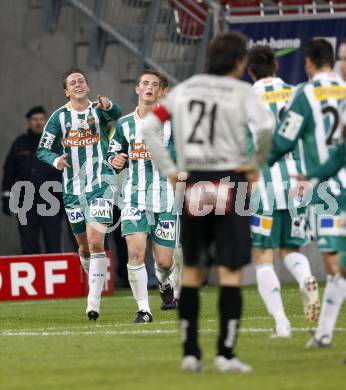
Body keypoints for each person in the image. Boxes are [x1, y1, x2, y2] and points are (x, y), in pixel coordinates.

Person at [142, 31, 274, 373]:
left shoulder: (185, 89)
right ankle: (226, 355)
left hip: (196, 180)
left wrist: (171, 169)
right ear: (237, 61)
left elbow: (150, 128)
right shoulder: (242, 91)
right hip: (231, 179)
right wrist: (255, 164)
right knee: (230, 272)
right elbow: (265, 127)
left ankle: (190, 353)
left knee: (194, 271)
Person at [267, 38, 346, 348]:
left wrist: (261, 162)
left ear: (309, 63)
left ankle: (324, 334)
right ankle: (324, 334)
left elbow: (285, 137)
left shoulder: (306, 93)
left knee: (334, 262)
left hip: (329, 191)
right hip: (330, 183)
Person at [37, 68, 122, 320]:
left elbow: (117, 113)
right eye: (72, 82)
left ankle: (93, 302)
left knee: (97, 243)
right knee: (84, 248)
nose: (78, 84)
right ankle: (89, 269)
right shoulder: (58, 117)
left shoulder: (99, 109)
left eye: (81, 80)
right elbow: (42, 149)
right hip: (73, 191)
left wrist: (110, 104)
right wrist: (56, 160)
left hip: (101, 186)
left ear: (87, 85)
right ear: (66, 91)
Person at [247, 45, 320, 338]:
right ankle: (305, 277)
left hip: (262, 186)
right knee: (291, 249)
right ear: (276, 67)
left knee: (264, 256)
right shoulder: (296, 94)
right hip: (296, 183)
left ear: (250, 70)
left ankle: (281, 322)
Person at [107, 69, 178, 323]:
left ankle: (165, 284)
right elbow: (112, 153)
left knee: (165, 262)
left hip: (166, 200)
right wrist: (114, 160)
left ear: (161, 91)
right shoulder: (125, 124)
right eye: (144, 84)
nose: (149, 88)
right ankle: (143, 310)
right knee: (135, 254)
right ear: (137, 89)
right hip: (134, 199)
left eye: (154, 84)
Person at [2, 106, 64, 254]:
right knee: (29, 245)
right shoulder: (20, 143)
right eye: (35, 120)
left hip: (51, 201)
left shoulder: (56, 143)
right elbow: (9, 170)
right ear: (29, 122)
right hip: (26, 201)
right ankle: (35, 276)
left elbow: (66, 171)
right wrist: (6, 197)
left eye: (42, 119)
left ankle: (53, 276)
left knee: (53, 243)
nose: (38, 123)